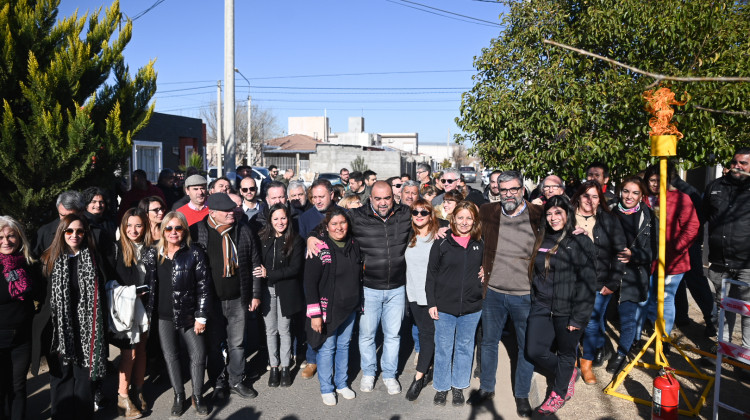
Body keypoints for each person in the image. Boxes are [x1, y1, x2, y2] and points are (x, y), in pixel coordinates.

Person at [307, 181, 412, 395]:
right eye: (378, 198)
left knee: (393, 335)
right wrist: (311, 237)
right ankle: (369, 373)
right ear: (370, 198)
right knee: (367, 335)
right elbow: (332, 222)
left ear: (394, 197)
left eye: (387, 198)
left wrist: (444, 226)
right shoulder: (357, 215)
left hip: (396, 288)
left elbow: (428, 219)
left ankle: (390, 375)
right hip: (369, 288)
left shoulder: (405, 214)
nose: (383, 203)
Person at [470, 170, 540, 418]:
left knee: (525, 347)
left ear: (522, 190)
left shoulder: (537, 214)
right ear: (496, 190)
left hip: (524, 294)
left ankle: (521, 395)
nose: (509, 194)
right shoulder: (488, 212)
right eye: (504, 190)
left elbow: (558, 230)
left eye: (514, 189)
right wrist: (444, 229)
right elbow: (469, 232)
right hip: (494, 292)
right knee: (489, 342)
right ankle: (487, 388)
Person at [525, 195, 596, 415]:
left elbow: (588, 283)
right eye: (549, 213)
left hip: (567, 308)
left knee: (566, 353)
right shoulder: (541, 237)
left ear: (568, 214)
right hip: (542, 305)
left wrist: (579, 317)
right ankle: (569, 373)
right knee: (534, 350)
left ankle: (559, 392)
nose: (553, 217)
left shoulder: (580, 241)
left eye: (558, 213)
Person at [190, 194, 260, 400]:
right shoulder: (197, 232)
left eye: (233, 210)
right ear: (212, 213)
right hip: (211, 301)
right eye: (226, 211)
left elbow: (255, 264)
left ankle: (236, 380)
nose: (232, 213)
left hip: (239, 298)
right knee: (214, 344)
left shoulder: (243, 230)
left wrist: (255, 294)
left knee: (237, 344)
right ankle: (219, 382)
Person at [41, 214, 107, 420]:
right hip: (59, 330)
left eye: (79, 231)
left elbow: (105, 290)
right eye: (69, 231)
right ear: (61, 232)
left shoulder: (94, 258)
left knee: (84, 380)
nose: (74, 235)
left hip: (87, 330)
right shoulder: (48, 260)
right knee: (61, 378)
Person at [145, 212, 212, 417]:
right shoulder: (152, 253)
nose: (174, 232)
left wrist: (201, 316)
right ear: (163, 230)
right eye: (169, 228)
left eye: (178, 228)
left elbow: (204, 286)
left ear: (184, 230)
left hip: (189, 316)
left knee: (198, 354)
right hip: (162, 316)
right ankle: (178, 395)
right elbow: (147, 284)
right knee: (171, 356)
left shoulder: (194, 252)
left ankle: (197, 395)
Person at [426, 201, 484, 407]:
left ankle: (458, 386)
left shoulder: (481, 243)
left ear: (474, 221)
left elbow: (490, 263)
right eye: (460, 217)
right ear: (453, 219)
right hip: (444, 306)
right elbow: (431, 274)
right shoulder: (442, 242)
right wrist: (431, 302)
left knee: (465, 347)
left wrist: (486, 270)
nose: (465, 222)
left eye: (469, 218)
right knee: (443, 347)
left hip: (472, 307)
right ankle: (442, 387)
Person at [304, 207, 363, 406]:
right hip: (328, 309)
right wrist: (315, 315)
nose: (339, 227)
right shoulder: (319, 247)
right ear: (326, 227)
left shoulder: (354, 244)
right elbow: (309, 283)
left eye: (343, 223)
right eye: (334, 224)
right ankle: (326, 387)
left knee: (344, 346)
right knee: (327, 348)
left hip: (349, 307)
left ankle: (341, 383)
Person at [571, 180, 626, 385]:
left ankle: (587, 364)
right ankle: (572, 361)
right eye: (586, 195)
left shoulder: (609, 220)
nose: (590, 200)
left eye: (595, 196)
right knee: (571, 323)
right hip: (571, 281)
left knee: (592, 324)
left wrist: (613, 282)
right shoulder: (566, 217)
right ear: (578, 196)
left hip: (598, 282)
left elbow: (620, 253)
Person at [641, 165, 699, 344]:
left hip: (673, 260)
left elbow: (692, 227)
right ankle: (653, 327)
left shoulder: (681, 199)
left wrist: (674, 248)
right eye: (652, 180)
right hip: (648, 258)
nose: (655, 184)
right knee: (650, 295)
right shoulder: (643, 198)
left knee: (665, 297)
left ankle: (663, 337)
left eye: (660, 181)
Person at [605, 177, 655, 374]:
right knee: (600, 315)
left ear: (642, 195)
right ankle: (600, 347)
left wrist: (634, 255)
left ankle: (621, 353)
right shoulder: (609, 211)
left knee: (627, 318)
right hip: (608, 271)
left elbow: (654, 252)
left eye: (635, 193)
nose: (629, 196)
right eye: (626, 191)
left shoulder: (649, 217)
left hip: (633, 274)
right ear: (620, 191)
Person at [704, 147, 750, 352]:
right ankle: (724, 349)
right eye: (734, 162)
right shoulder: (715, 186)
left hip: (746, 263)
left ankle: (747, 354)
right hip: (720, 261)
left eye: (743, 163)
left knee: (747, 311)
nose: (737, 166)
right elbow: (702, 216)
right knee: (724, 306)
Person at [255, 204, 305, 388]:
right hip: (267, 291)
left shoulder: (296, 240)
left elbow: (295, 268)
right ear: (270, 220)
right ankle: (274, 366)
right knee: (270, 331)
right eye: (275, 218)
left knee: (284, 330)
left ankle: (285, 367)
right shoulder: (263, 238)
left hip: (286, 291)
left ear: (288, 219)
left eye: (283, 218)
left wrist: (269, 274)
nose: (280, 222)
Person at [110, 208, 152, 418]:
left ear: (144, 227)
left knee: (142, 350)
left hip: (146, 307)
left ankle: (138, 389)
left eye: (138, 225)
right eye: (129, 225)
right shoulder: (116, 249)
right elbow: (111, 281)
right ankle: (122, 396)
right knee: (130, 353)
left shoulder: (150, 249)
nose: (133, 230)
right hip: (126, 308)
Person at [0, 216, 37, 420]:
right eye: (1, 237)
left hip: (22, 337)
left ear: (19, 237)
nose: (6, 241)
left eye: (11, 235)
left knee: (18, 386)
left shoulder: (27, 264)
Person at [403, 199, 439, 402]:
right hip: (413, 295)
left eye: (423, 213)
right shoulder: (410, 235)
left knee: (427, 335)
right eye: (415, 212)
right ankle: (429, 368)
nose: (419, 216)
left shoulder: (439, 236)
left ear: (431, 215)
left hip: (431, 296)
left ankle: (419, 377)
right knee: (427, 334)